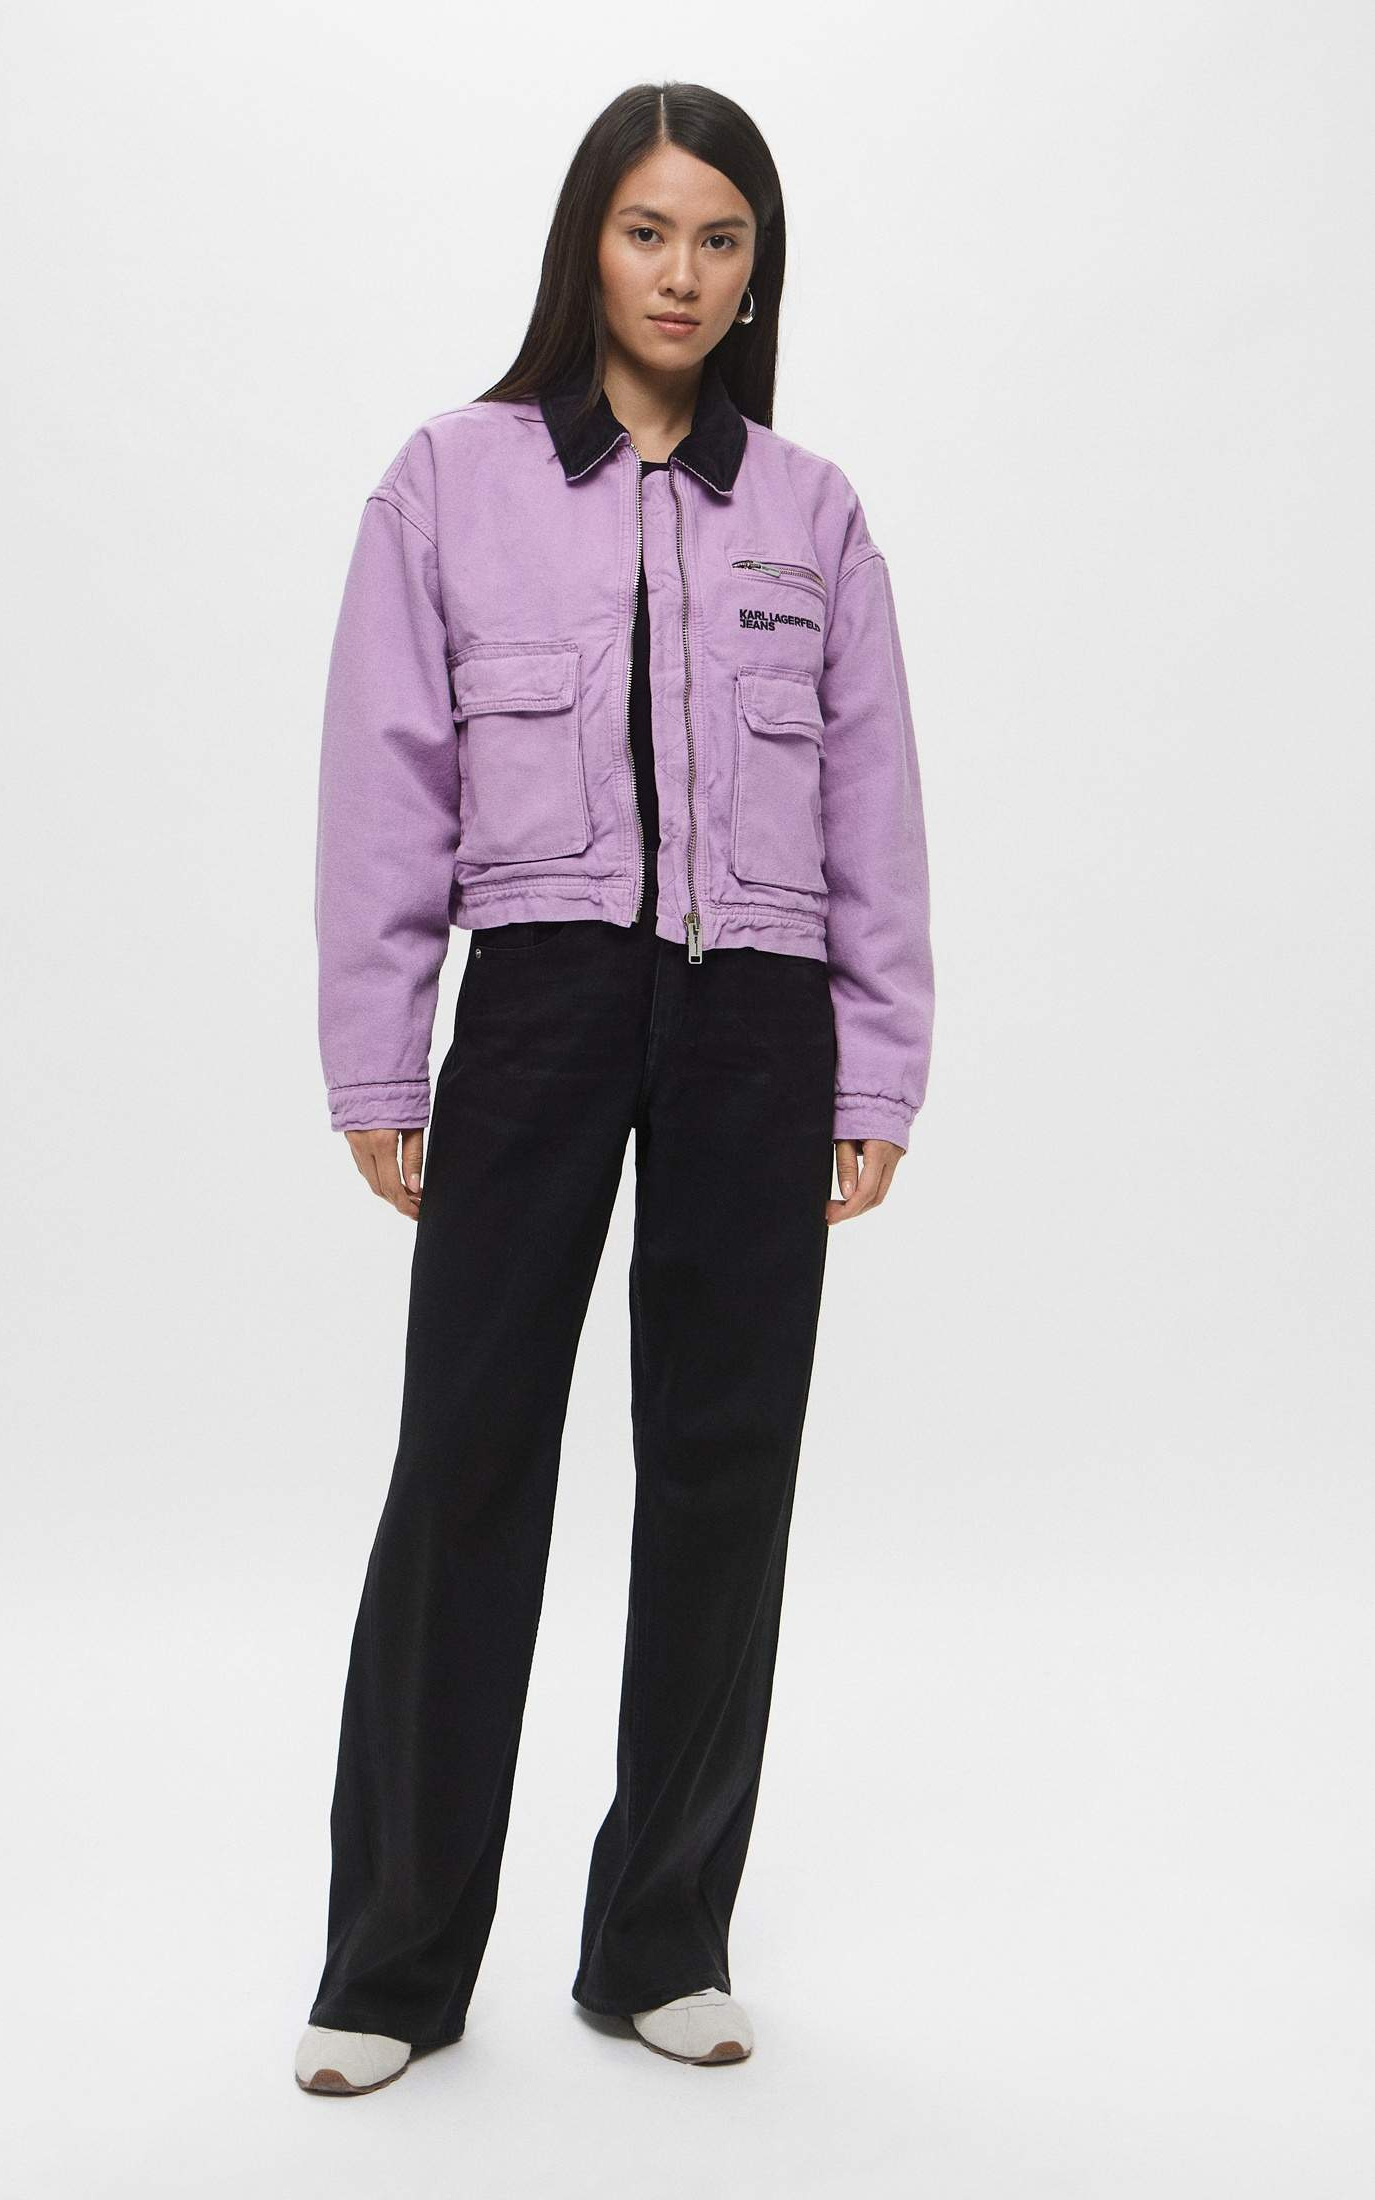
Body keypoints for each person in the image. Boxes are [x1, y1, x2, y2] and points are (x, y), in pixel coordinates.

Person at [295, 79, 935, 2096]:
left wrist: (878, 1061)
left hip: (761, 1014)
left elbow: (874, 804)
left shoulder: (811, 510)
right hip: (545, 998)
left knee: (727, 1466)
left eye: (721, 239)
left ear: (758, 272)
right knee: (467, 1459)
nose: (682, 273)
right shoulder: (451, 480)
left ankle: (661, 1937)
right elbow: (384, 779)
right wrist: (379, 1047)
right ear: (591, 241)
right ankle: (393, 1964)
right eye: (650, 230)